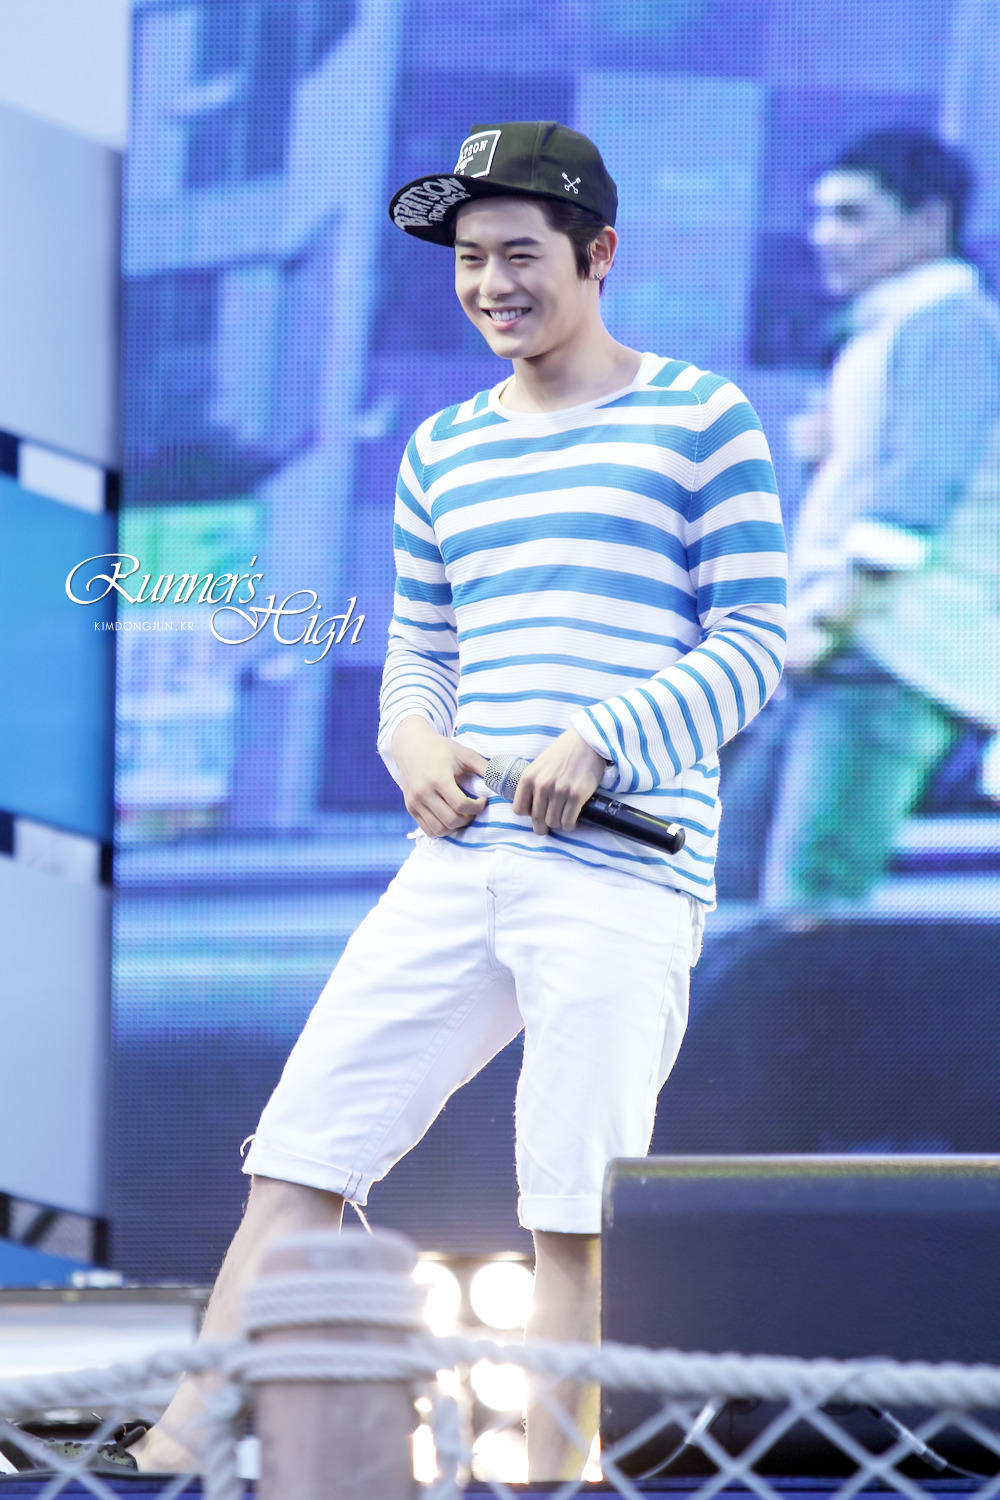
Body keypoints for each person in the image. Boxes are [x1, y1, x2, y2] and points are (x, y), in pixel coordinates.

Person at [134, 121, 786, 1481]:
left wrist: (604, 739)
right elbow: (422, 649)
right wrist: (410, 739)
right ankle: (172, 1455)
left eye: (520, 254)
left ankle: (552, 1478)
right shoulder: (439, 448)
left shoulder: (701, 417)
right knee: (301, 1155)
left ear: (599, 255)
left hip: (623, 873)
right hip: (455, 861)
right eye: (470, 259)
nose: (492, 283)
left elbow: (753, 642)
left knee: (572, 1213)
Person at [719, 128, 1000, 914]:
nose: (826, 238)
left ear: (930, 219)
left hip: (889, 654)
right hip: (844, 648)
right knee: (739, 889)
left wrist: (828, 619)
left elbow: (917, 495)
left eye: (853, 215)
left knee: (811, 903)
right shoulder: (891, 328)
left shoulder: (949, 322)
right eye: (821, 216)